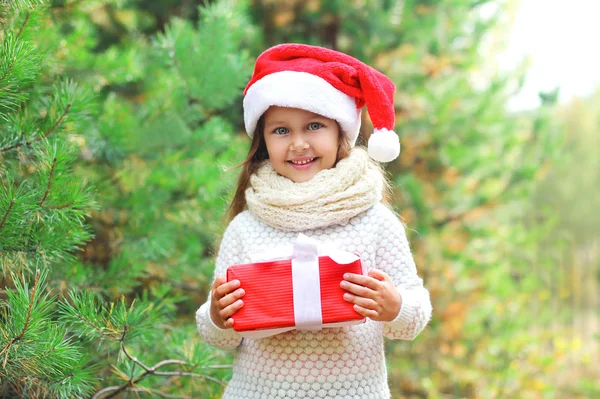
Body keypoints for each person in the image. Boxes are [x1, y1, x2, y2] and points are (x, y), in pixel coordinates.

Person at [196, 43, 432, 399]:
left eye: (314, 126)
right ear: (263, 139)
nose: (298, 143)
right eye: (281, 131)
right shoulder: (246, 226)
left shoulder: (374, 221)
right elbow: (221, 338)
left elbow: (414, 314)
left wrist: (395, 306)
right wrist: (217, 315)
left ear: (341, 133)